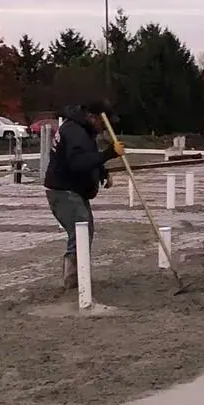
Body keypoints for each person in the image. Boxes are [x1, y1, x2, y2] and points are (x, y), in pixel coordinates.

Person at [43, 98, 117, 288]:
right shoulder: (75, 132)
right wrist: (108, 154)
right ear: (93, 117)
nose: (104, 128)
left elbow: (87, 157)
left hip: (74, 190)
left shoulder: (82, 129)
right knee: (80, 231)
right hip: (64, 191)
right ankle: (73, 279)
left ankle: (78, 275)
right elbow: (77, 163)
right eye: (103, 123)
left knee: (85, 229)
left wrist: (101, 171)